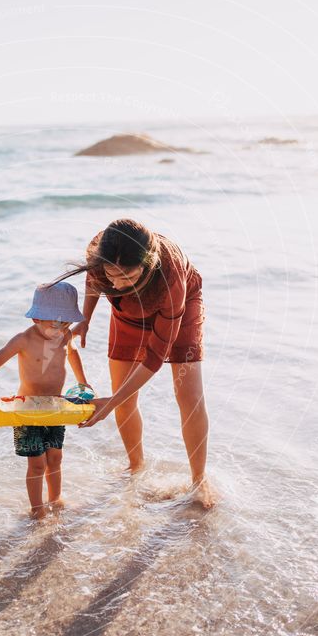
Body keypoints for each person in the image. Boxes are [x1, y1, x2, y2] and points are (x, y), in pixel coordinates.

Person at [52, 218, 216, 509]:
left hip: (181, 306)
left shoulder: (171, 280)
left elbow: (154, 358)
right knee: (124, 396)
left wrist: (110, 402)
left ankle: (198, 480)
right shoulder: (104, 253)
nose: (115, 283)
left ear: (147, 264)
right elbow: (94, 279)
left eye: (125, 275)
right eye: (111, 275)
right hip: (127, 311)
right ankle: (135, 466)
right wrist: (85, 321)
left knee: (188, 396)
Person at [0, 282, 92, 519]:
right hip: (28, 411)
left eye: (66, 322)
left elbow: (72, 353)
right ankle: (37, 510)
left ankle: (56, 501)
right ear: (36, 319)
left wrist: (83, 382)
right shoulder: (23, 340)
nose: (62, 328)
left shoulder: (65, 335)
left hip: (54, 408)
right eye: (56, 322)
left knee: (55, 458)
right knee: (37, 463)